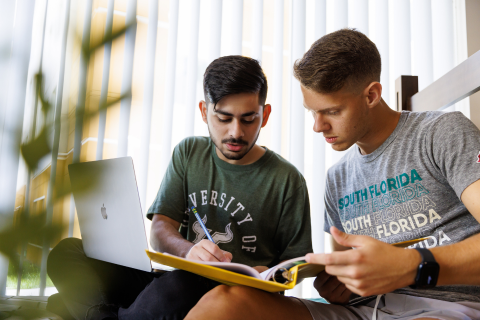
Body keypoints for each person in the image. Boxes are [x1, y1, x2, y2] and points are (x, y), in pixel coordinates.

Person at [184, 29, 480, 320]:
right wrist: (341, 284)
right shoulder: (337, 177)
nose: (317, 126)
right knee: (225, 303)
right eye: (312, 112)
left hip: (447, 307)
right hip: (362, 310)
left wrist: (412, 264)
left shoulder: (441, 133)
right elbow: (346, 281)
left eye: (332, 112)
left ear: (372, 95)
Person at [46, 56, 313, 320]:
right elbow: (160, 230)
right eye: (223, 118)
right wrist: (189, 251)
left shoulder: (287, 179)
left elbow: (298, 262)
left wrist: (267, 272)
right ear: (203, 111)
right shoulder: (188, 153)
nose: (236, 132)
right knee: (66, 253)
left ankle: (98, 312)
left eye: (248, 119)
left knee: (175, 287)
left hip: (227, 298)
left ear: (264, 115)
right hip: (173, 281)